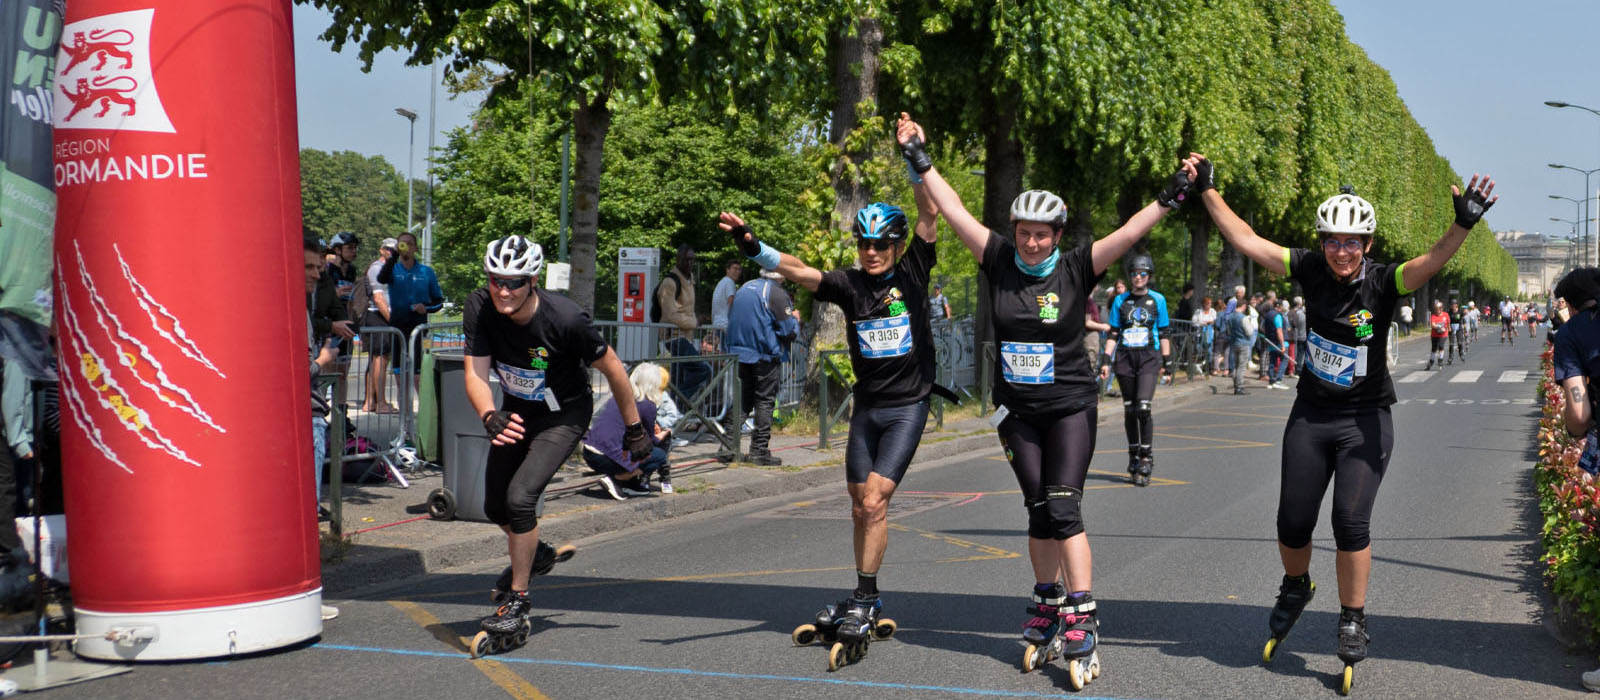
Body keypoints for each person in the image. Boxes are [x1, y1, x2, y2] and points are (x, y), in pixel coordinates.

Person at [898, 112, 1196, 687]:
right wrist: (917, 153)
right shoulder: (999, 259)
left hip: (1068, 408)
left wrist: (1174, 193)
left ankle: (1082, 614)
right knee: (1037, 511)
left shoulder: (1080, 266)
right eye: (1024, 231)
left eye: (1042, 233)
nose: (1032, 241)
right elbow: (954, 209)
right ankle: (1046, 602)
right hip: (1016, 412)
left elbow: (1131, 232)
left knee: (1064, 508)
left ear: (1059, 236)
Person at [1197, 153, 1496, 691]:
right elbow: (1247, 239)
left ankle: (1353, 618)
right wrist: (1206, 190)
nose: (1340, 251)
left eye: (1351, 242)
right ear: (1322, 242)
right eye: (1332, 240)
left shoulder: (1383, 282)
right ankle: (1295, 585)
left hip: (1365, 418)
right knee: (1292, 521)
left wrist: (1464, 223)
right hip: (1311, 414)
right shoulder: (1309, 267)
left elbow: (1429, 261)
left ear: (1368, 246)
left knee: (1349, 522)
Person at [724, 189, 941, 668]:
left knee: (874, 500)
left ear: (898, 247)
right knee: (859, 506)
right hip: (867, 409)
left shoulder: (912, 273)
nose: (871, 251)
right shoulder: (850, 284)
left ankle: (863, 596)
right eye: (864, 243)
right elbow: (800, 271)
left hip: (908, 406)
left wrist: (915, 157)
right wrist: (752, 245)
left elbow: (930, 212)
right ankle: (870, 595)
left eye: (881, 244)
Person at [464, 234, 651, 647]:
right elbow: (475, 374)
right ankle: (539, 554)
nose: (503, 290)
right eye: (496, 280)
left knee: (520, 499)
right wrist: (488, 414)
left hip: (564, 414)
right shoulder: (479, 307)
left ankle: (518, 600)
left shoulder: (565, 319)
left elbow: (615, 368)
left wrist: (634, 428)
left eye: (514, 281)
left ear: (532, 281)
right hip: (516, 411)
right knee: (495, 506)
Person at [1100, 254, 1170, 486]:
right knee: (1130, 410)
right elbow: (1113, 333)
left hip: (1149, 356)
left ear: (1149, 276)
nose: (1138, 277)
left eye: (1142, 273)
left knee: (1143, 406)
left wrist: (1167, 364)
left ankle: (1147, 457)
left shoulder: (1157, 300)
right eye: (1134, 273)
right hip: (1125, 358)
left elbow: (1165, 332)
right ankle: (1133, 456)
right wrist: (1106, 360)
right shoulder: (1121, 301)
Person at [718, 268, 799, 466]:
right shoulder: (776, 293)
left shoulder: (745, 287)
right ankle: (759, 450)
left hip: (740, 352)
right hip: (764, 354)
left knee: (744, 400)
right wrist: (796, 319)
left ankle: (727, 446)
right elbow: (789, 331)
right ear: (780, 275)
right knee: (764, 401)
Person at [584, 363, 672, 500]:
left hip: (590, 453)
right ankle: (617, 478)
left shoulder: (619, 396)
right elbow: (648, 443)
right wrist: (662, 435)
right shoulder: (648, 405)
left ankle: (629, 484)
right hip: (608, 458)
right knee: (659, 455)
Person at [378, 231, 444, 389]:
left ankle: (424, 412)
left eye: (409, 243)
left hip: (420, 329)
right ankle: (405, 412)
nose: (405, 247)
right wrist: (393, 257)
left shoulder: (426, 272)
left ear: (415, 248)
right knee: (400, 375)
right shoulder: (393, 269)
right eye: (402, 243)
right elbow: (382, 279)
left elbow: (439, 301)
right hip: (398, 328)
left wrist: (425, 308)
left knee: (418, 376)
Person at [362, 238, 398, 414]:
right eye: (389, 249)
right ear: (381, 250)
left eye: (394, 250)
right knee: (380, 359)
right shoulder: (377, 268)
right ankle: (380, 402)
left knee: (378, 359)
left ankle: (370, 402)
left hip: (382, 315)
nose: (392, 252)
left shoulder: (392, 268)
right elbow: (378, 298)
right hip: (378, 315)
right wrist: (393, 320)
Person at [657, 244, 698, 334]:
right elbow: (669, 316)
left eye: (692, 259)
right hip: (671, 339)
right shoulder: (669, 282)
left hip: (686, 337)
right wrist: (694, 322)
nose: (689, 263)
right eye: (686, 259)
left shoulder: (690, 280)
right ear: (678, 260)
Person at [711, 259, 741, 331]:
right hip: (726, 325)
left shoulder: (722, 282)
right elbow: (731, 302)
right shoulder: (729, 282)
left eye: (739, 269)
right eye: (734, 268)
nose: (737, 272)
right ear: (727, 270)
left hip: (717, 324)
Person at [1194, 296, 1217, 375]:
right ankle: (1199, 366)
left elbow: (1213, 320)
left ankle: (1208, 367)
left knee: (1209, 351)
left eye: (1210, 303)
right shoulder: (1198, 311)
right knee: (1199, 349)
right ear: (1203, 304)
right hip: (1199, 334)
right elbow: (1194, 322)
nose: (1209, 305)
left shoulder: (1213, 311)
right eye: (1207, 303)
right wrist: (1202, 323)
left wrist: (1205, 322)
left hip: (1209, 334)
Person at [1427, 299, 1449, 370]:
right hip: (1434, 335)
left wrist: (1447, 329)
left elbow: (1448, 323)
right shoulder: (1433, 316)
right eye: (1436, 309)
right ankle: (1431, 360)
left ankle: (1440, 360)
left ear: (1442, 309)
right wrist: (1439, 327)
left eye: (1439, 309)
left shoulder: (1446, 315)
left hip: (1443, 334)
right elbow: (1433, 325)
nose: (1437, 310)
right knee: (1434, 348)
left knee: (1441, 346)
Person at [1288, 296, 1307, 378]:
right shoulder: (1302, 314)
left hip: (1298, 336)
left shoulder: (1296, 313)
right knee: (1301, 354)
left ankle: (1297, 369)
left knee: (1298, 353)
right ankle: (1299, 369)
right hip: (1303, 336)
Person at [1447, 300, 1467, 365]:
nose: (1453, 306)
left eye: (1454, 304)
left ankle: (1461, 353)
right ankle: (1451, 356)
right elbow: (1447, 320)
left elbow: (1463, 320)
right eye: (1452, 304)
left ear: (1456, 305)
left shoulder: (1460, 312)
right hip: (1451, 328)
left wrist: (1465, 329)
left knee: (1460, 342)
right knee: (1451, 343)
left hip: (1459, 328)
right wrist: (1448, 327)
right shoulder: (1449, 312)